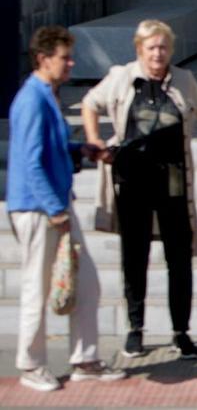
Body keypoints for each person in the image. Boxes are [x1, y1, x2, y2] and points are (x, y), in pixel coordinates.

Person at [82, 19, 197, 360]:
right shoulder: (121, 76)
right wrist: (95, 141)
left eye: (164, 47)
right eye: (152, 47)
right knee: (134, 255)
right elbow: (90, 103)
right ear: (139, 49)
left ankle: (181, 332)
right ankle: (135, 329)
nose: (158, 53)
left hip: (173, 181)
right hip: (132, 181)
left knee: (179, 258)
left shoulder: (184, 79)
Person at [7, 26, 125, 392]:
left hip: (55, 205)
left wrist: (81, 150)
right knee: (37, 287)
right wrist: (55, 210)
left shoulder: (46, 95)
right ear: (43, 59)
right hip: (39, 208)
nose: (71, 63)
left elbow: (50, 149)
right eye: (64, 58)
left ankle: (85, 360)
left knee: (86, 284)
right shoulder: (32, 99)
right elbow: (31, 162)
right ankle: (31, 364)